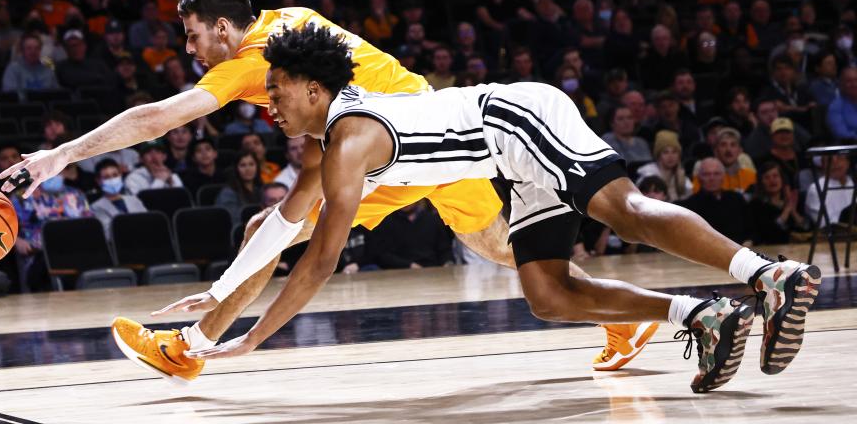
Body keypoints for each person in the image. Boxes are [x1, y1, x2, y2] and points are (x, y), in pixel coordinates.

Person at [0, 0, 652, 383]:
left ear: (225, 29)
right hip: (426, 122)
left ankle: (190, 347)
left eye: (196, 37)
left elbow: (157, 119)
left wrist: (62, 153)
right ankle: (620, 314)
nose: (192, 51)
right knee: (497, 245)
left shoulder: (249, 64)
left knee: (272, 228)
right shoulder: (288, 16)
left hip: (389, 143)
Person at [174, 24, 820, 394]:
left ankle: (767, 276)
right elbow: (289, 230)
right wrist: (231, 302)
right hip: (507, 157)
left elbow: (318, 264)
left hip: (519, 118)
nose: (269, 105)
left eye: (277, 90)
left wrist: (250, 339)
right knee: (547, 292)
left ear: (314, 89)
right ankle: (702, 315)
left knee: (624, 211)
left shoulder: (346, 142)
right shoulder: (332, 134)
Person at [747, 161, 808, 245]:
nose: (772, 180)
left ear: (782, 179)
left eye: (775, 176)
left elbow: (806, 228)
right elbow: (768, 233)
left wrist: (793, 212)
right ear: (761, 182)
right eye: (767, 177)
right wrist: (786, 211)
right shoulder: (756, 205)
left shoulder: (795, 200)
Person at [90, 159, 148, 239]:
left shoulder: (134, 200)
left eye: (115, 175)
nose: (112, 180)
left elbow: (148, 223)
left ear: (120, 175)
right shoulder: (95, 207)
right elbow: (108, 235)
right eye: (106, 177)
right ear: (98, 181)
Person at [635, 131, 693, 202]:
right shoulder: (647, 174)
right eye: (665, 152)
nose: (670, 157)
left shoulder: (681, 175)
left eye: (674, 152)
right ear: (658, 156)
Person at [217, 151, 264, 224]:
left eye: (251, 164)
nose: (248, 169)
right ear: (236, 169)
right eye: (243, 165)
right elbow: (233, 220)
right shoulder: (228, 194)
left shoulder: (262, 189)